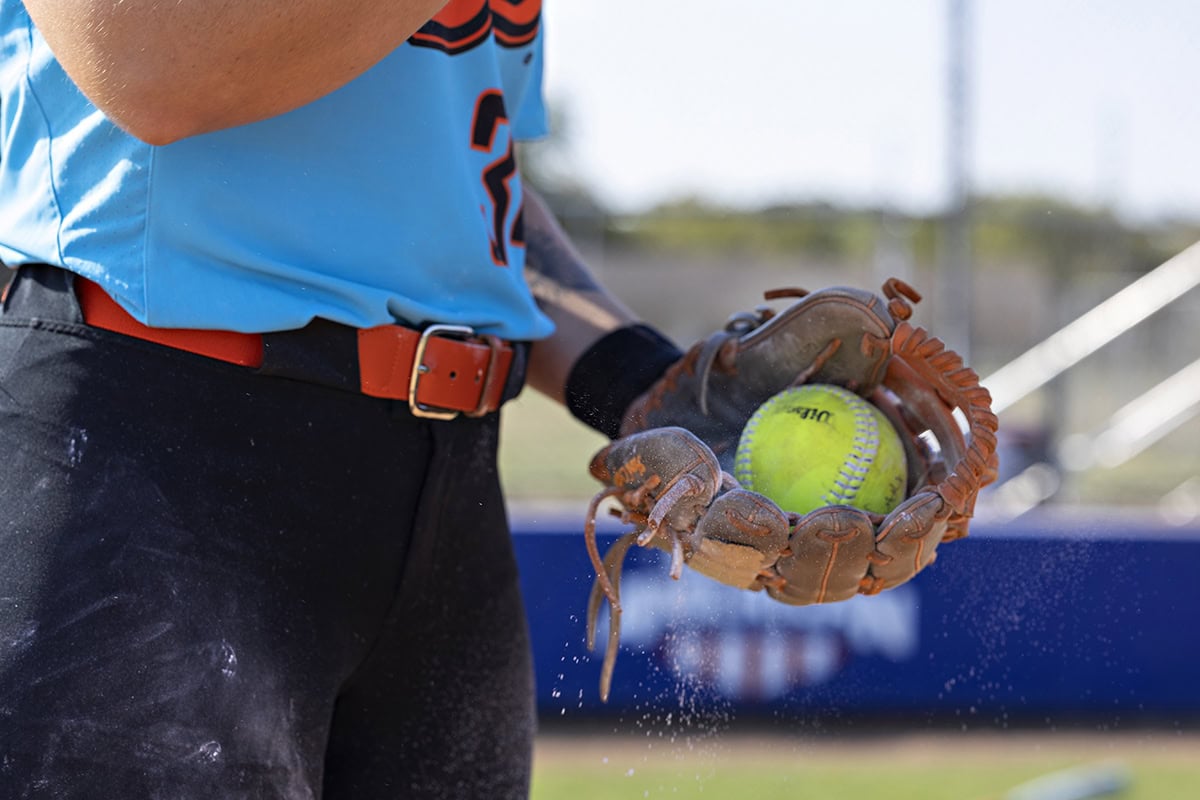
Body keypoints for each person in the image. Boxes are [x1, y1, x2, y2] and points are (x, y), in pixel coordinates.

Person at [0, 1, 683, 797]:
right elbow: (150, 67)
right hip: (158, 436)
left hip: (448, 482)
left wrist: (649, 385)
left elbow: (462, 193)